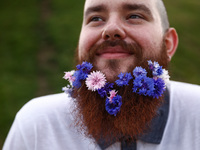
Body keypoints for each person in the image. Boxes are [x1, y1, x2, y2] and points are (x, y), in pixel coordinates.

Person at [3, 0, 200, 149]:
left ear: (168, 44)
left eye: (134, 16)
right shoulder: (36, 125)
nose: (111, 29)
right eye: (95, 19)